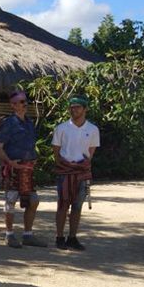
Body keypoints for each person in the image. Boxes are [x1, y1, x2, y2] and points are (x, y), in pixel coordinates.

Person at [0, 91, 48, 249]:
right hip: (14, 168)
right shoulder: (9, 123)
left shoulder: (29, 122)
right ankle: (9, 235)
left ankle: (27, 235)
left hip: (28, 168)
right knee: (10, 200)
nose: (25, 104)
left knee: (33, 201)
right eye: (21, 102)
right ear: (13, 105)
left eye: (25, 101)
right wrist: (10, 162)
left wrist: (34, 157)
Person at [52, 96, 99, 251]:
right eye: (72, 107)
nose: (74, 110)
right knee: (62, 204)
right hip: (65, 171)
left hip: (82, 172)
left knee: (77, 206)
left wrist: (82, 165)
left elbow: (90, 153)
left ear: (85, 109)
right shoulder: (61, 128)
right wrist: (66, 164)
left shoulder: (92, 129)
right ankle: (59, 237)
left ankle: (72, 237)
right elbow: (56, 153)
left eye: (78, 107)